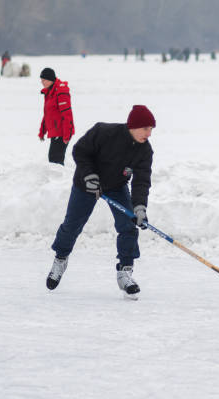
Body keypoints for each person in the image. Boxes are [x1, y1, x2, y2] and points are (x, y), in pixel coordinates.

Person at [46, 105, 156, 298]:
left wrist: (139, 207)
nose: (149, 133)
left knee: (129, 226)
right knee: (72, 225)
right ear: (133, 126)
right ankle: (60, 258)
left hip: (116, 186)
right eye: (146, 128)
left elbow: (141, 181)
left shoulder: (144, 150)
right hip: (87, 185)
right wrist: (89, 176)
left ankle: (125, 272)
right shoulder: (104, 132)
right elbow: (79, 151)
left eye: (151, 129)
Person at [39, 68, 75, 165]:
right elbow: (48, 114)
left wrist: (67, 134)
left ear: (51, 79)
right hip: (55, 131)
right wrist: (42, 131)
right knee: (53, 160)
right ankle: (58, 178)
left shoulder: (61, 92)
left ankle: (60, 179)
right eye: (41, 80)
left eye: (44, 80)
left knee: (55, 161)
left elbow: (67, 114)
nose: (42, 83)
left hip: (62, 132)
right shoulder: (49, 92)